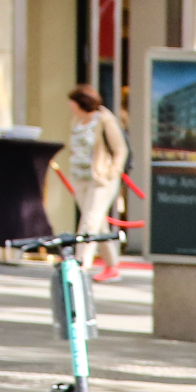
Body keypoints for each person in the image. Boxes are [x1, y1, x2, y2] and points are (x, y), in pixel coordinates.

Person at [65, 85, 127, 283]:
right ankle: (112, 265)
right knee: (97, 224)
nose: (69, 105)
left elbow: (120, 149)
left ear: (80, 102)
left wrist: (111, 172)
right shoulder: (76, 120)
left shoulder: (104, 120)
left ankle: (80, 264)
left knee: (89, 221)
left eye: (72, 101)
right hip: (80, 177)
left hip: (100, 179)